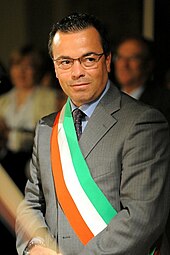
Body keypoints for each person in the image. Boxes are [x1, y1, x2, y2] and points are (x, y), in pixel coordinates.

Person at [15, 12, 170, 255]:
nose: (77, 72)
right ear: (55, 68)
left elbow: (142, 217)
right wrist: (34, 245)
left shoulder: (142, 123)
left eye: (88, 59)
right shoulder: (46, 129)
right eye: (65, 62)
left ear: (107, 61)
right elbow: (31, 203)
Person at [0, 45, 58, 193]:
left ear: (37, 71)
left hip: (33, 164)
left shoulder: (50, 98)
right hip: (6, 163)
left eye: (28, 66)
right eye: (17, 65)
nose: (21, 72)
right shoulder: (3, 101)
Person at [113, 35, 170, 125]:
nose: (124, 64)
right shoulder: (107, 98)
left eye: (133, 58)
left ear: (148, 65)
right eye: (120, 57)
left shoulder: (164, 103)